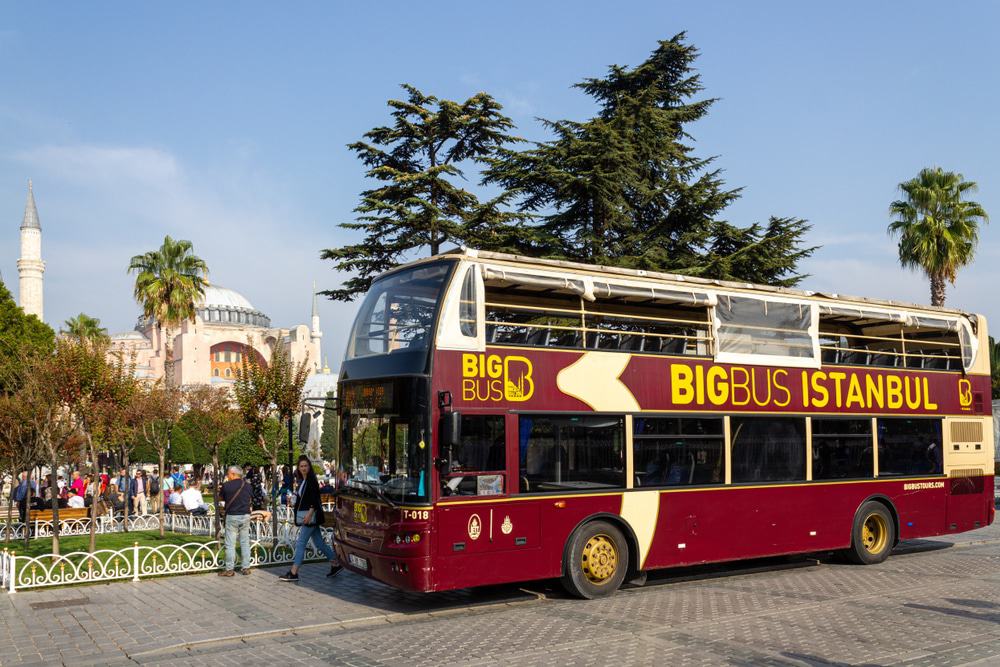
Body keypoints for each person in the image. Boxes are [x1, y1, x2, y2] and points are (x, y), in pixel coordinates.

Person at [279, 455, 342, 582]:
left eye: (306, 466)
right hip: (309, 516)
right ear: (298, 468)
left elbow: (314, 498)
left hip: (310, 516)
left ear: (309, 467)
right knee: (319, 543)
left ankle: (294, 572)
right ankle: (335, 563)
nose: (303, 468)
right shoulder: (304, 480)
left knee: (301, 543)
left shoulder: (311, 480)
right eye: (301, 466)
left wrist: (309, 514)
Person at [219, 465, 252, 576]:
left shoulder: (226, 485)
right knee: (245, 542)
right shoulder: (247, 485)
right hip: (245, 515)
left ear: (233, 474)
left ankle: (229, 569)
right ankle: (246, 567)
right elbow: (250, 499)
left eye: (228, 473)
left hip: (232, 515)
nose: (227, 475)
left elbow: (221, 498)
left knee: (230, 544)